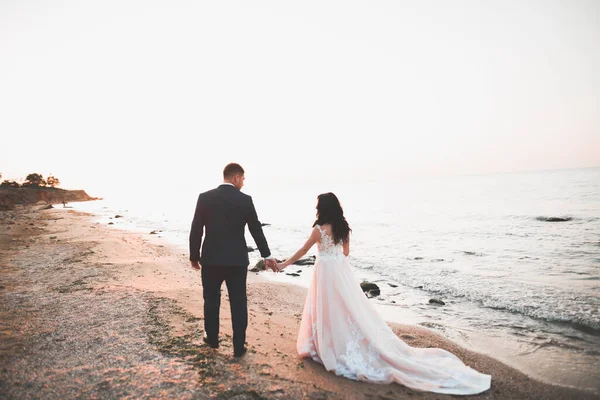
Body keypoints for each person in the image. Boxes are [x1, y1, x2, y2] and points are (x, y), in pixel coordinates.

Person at [276, 192, 491, 395]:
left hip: (325, 271)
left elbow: (304, 251)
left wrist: (283, 264)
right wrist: (335, 258)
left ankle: (325, 345)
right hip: (340, 270)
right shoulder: (343, 226)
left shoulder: (319, 229)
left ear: (322, 209)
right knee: (349, 309)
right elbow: (346, 253)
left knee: (328, 308)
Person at [189, 163, 277, 358]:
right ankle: (238, 347)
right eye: (243, 179)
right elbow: (256, 229)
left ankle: (212, 340)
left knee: (211, 300)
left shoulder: (205, 198)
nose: (243, 183)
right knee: (238, 303)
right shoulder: (245, 200)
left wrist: (194, 256)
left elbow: (196, 229)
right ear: (236, 178)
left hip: (211, 260)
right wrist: (267, 255)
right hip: (237, 261)